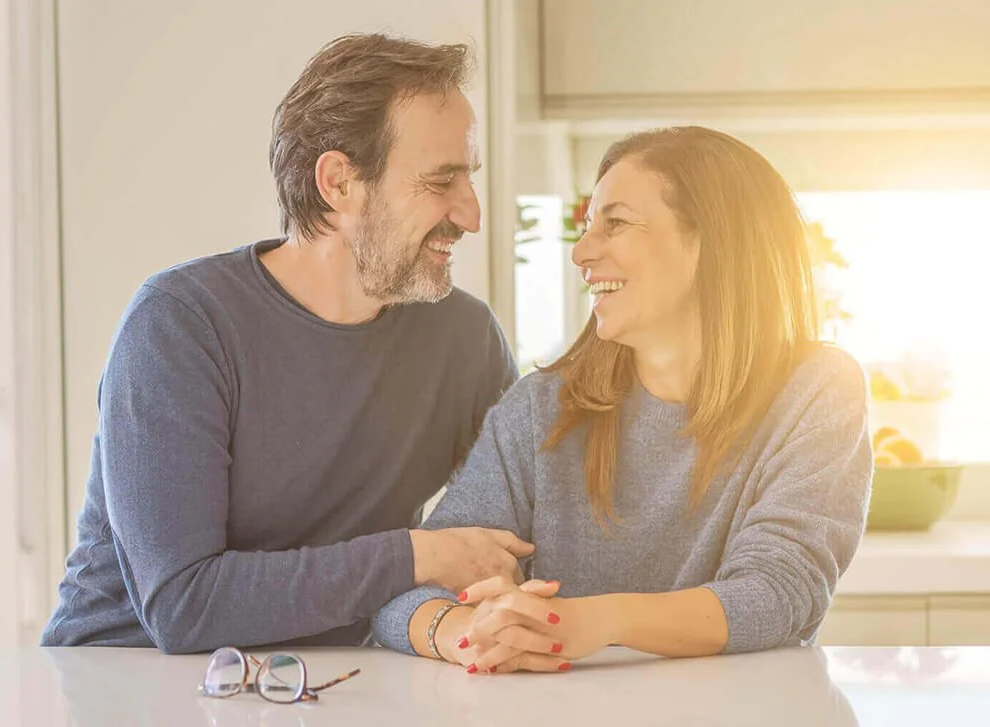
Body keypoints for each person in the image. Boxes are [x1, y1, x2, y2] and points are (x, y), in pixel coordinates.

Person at [40, 33, 535, 655]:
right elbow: (183, 606)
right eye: (442, 181)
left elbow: (524, 522)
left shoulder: (464, 337)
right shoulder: (182, 324)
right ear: (339, 183)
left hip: (330, 677)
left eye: (469, 178)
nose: (472, 214)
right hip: (124, 675)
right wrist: (417, 556)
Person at [371, 126, 873, 673]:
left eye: (616, 224)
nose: (581, 252)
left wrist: (592, 622)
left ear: (713, 242)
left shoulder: (816, 390)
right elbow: (409, 591)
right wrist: (465, 632)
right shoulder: (540, 409)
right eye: (587, 226)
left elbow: (777, 592)